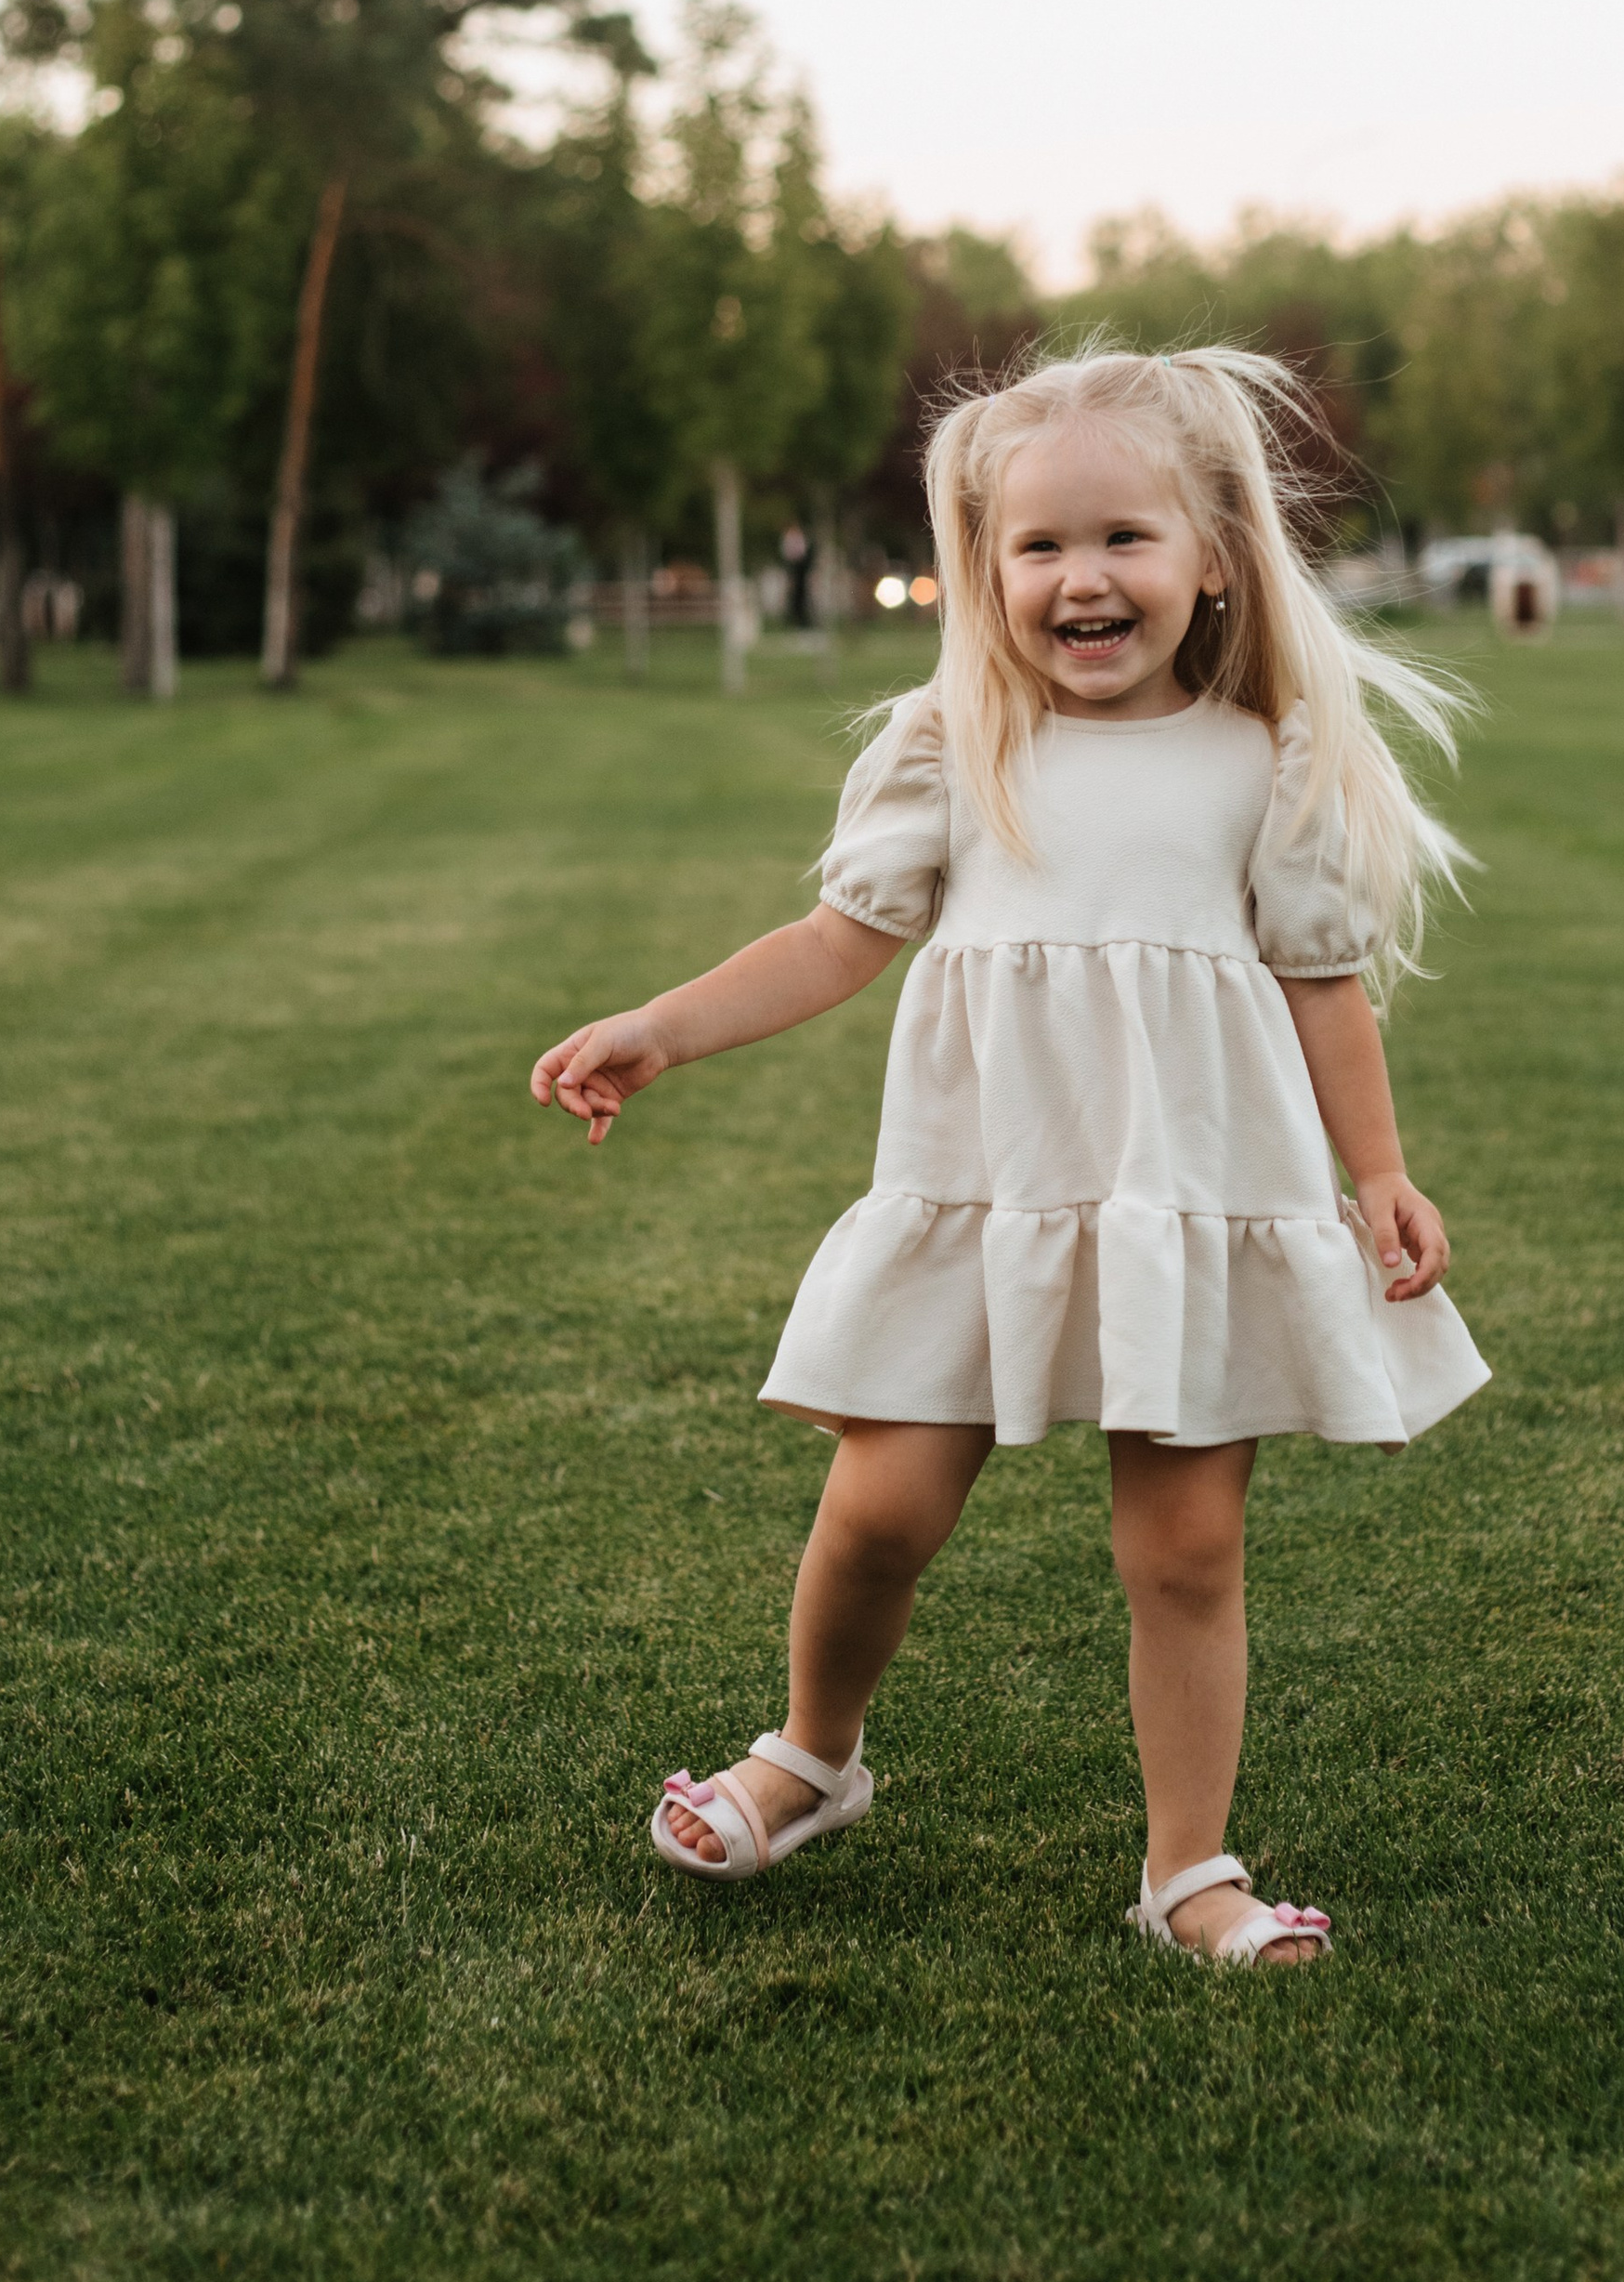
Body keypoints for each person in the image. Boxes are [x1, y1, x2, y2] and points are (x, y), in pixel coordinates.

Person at [530, 347, 1491, 1968]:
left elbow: (1324, 982)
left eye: (1125, 536)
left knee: (1184, 1546)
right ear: (986, 570)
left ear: (1211, 559)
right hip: (983, 1197)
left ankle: (1190, 1869)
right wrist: (666, 1025)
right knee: (881, 1510)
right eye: (1039, 545)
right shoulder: (950, 740)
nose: (1082, 576)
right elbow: (839, 940)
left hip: (1188, 1197)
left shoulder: (1271, 759)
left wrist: (1380, 1169)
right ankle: (812, 1755)